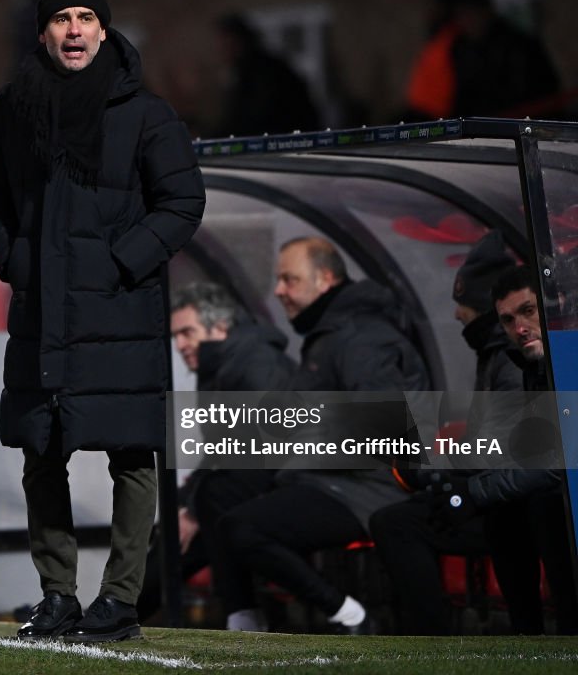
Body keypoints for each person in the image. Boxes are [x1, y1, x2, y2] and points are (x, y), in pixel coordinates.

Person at [0, 0, 205, 643]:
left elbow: (183, 203)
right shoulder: (13, 109)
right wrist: (17, 263)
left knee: (132, 455)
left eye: (85, 18)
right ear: (43, 32)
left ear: (104, 29)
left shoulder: (147, 113)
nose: (73, 30)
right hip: (43, 316)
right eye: (60, 19)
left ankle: (119, 602)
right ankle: (58, 597)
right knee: (41, 453)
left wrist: (120, 261)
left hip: (120, 314)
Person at [214, 237, 429, 633]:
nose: (278, 291)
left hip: (369, 488)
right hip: (331, 480)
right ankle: (242, 629)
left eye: (289, 280)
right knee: (223, 510)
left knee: (242, 526)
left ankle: (353, 617)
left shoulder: (361, 336)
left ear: (326, 279)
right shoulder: (331, 334)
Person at [369, 230, 521, 634]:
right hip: (494, 495)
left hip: (510, 503)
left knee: (397, 523)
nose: (456, 315)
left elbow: (505, 449)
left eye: (464, 305)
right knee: (402, 515)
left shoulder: (508, 361)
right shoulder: (493, 357)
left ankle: (431, 635)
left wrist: (436, 469)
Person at [426, 265, 578, 634]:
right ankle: (529, 634)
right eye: (508, 320)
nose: (519, 327)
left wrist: (473, 490)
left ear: (555, 306)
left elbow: (558, 463)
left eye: (528, 311)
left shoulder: (564, 358)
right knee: (508, 510)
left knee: (544, 502)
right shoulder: (533, 367)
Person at [136, 282, 295, 625]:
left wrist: (192, 509)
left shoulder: (256, 361)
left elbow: (257, 445)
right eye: (175, 336)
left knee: (198, 523)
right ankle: (119, 609)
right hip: (238, 490)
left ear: (219, 326)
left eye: (187, 333)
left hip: (268, 489)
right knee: (177, 522)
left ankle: (243, 614)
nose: (179, 345)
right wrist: (183, 504)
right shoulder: (220, 365)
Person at [209, 14, 319, 138]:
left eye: (225, 45)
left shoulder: (266, 72)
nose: (220, 52)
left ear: (239, 41)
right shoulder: (247, 71)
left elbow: (254, 119)